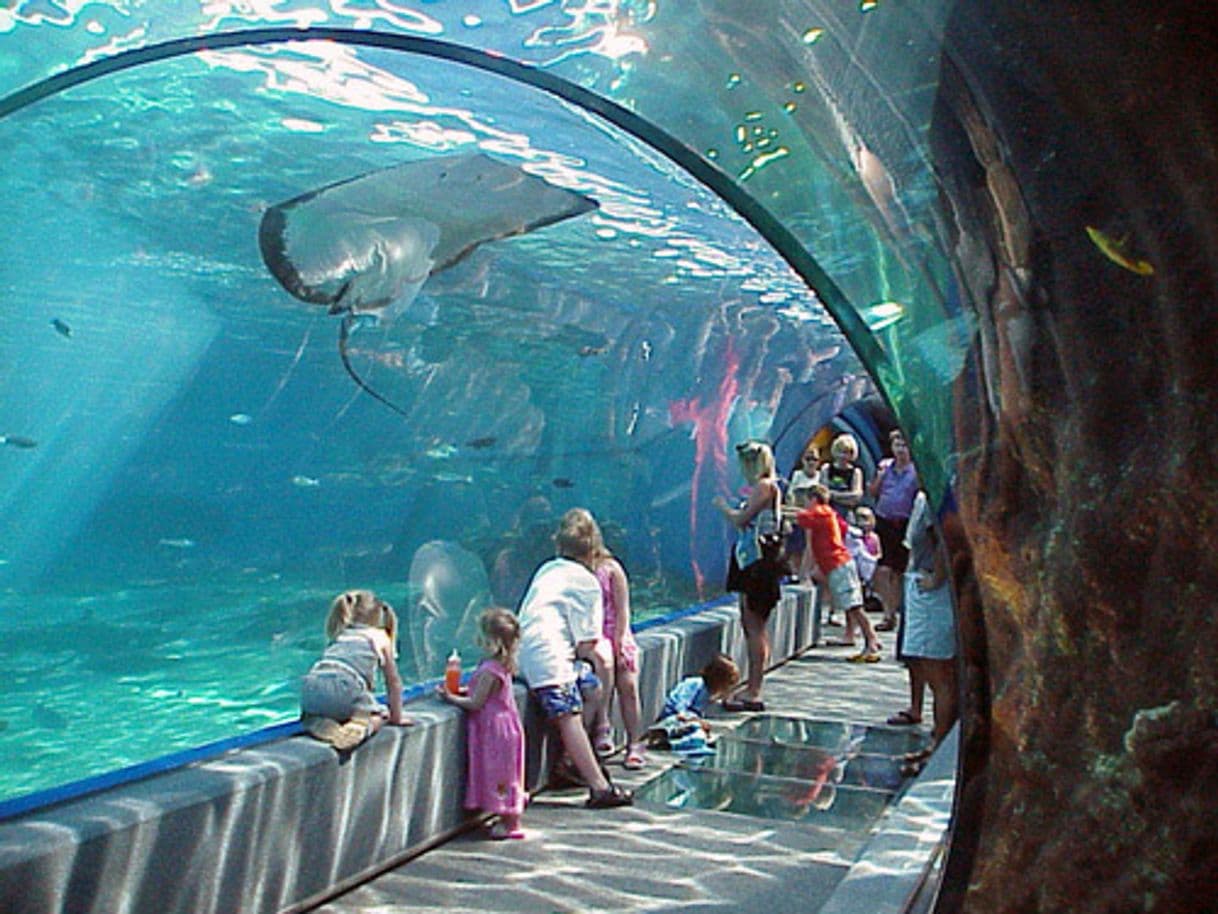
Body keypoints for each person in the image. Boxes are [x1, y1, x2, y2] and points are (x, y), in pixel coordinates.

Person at [516, 508, 633, 809]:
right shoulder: (586, 581)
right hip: (548, 659)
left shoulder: (547, 568)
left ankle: (569, 763)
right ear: (594, 548)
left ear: (559, 544)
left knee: (590, 687)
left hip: (524, 652)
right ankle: (599, 787)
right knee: (568, 714)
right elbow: (587, 644)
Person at [437, 608, 527, 840]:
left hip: (495, 730)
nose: (477, 640)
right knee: (506, 772)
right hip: (505, 726)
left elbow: (476, 703)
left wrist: (450, 697)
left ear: (494, 642)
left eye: (483, 636)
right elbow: (485, 694)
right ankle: (506, 816)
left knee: (500, 773)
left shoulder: (489, 670)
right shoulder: (500, 665)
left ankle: (511, 822)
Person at [888, 491, 958, 776]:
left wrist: (937, 577)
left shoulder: (939, 497)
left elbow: (946, 536)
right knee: (927, 669)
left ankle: (940, 749)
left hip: (932, 593)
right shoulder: (925, 495)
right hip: (921, 584)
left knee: (940, 675)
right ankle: (937, 744)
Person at [713, 440, 786, 712]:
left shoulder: (765, 486)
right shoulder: (767, 488)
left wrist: (723, 507)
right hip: (752, 561)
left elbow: (741, 519)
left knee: (755, 626)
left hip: (759, 564)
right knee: (751, 623)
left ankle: (755, 690)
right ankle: (753, 684)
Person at [300, 589, 413, 750]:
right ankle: (362, 725)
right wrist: (396, 717)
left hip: (311, 688)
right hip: (346, 686)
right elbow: (393, 681)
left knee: (319, 709)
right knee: (380, 713)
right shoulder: (379, 635)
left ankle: (316, 720)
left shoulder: (340, 634)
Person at [795, 484, 883, 662]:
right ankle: (852, 635)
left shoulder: (821, 511)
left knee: (855, 606)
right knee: (850, 603)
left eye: (806, 500)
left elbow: (800, 518)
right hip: (836, 564)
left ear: (813, 498)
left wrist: (777, 508)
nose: (805, 504)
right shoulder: (829, 513)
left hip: (839, 564)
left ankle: (871, 640)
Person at [586, 522, 647, 770]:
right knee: (602, 681)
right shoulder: (580, 571)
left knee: (628, 686)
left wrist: (620, 639)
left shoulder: (611, 569)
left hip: (616, 633)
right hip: (595, 637)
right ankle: (603, 726)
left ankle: (635, 742)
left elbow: (623, 609)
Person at [868, 429, 918, 632]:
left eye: (904, 445)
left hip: (904, 522)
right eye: (897, 445)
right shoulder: (886, 467)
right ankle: (888, 611)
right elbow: (873, 492)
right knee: (882, 569)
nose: (900, 450)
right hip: (884, 520)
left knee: (898, 571)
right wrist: (880, 476)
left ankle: (893, 614)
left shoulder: (915, 471)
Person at [647, 653, 741, 756]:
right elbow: (680, 706)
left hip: (686, 722)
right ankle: (663, 737)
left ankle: (673, 743)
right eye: (727, 685)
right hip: (674, 718)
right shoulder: (696, 684)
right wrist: (695, 720)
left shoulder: (707, 693)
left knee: (700, 736)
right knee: (695, 730)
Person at [784, 446, 822, 582]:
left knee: (810, 547)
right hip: (797, 517)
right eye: (808, 459)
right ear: (802, 460)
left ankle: (806, 574)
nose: (811, 462)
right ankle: (795, 573)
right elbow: (790, 496)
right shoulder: (797, 475)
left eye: (814, 459)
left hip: (813, 518)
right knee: (795, 547)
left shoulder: (821, 476)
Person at [818, 433, 865, 524]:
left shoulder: (856, 472)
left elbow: (856, 496)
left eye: (847, 452)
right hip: (827, 513)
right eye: (840, 451)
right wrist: (845, 496)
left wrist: (833, 495)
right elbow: (823, 493)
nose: (843, 456)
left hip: (847, 516)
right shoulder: (826, 468)